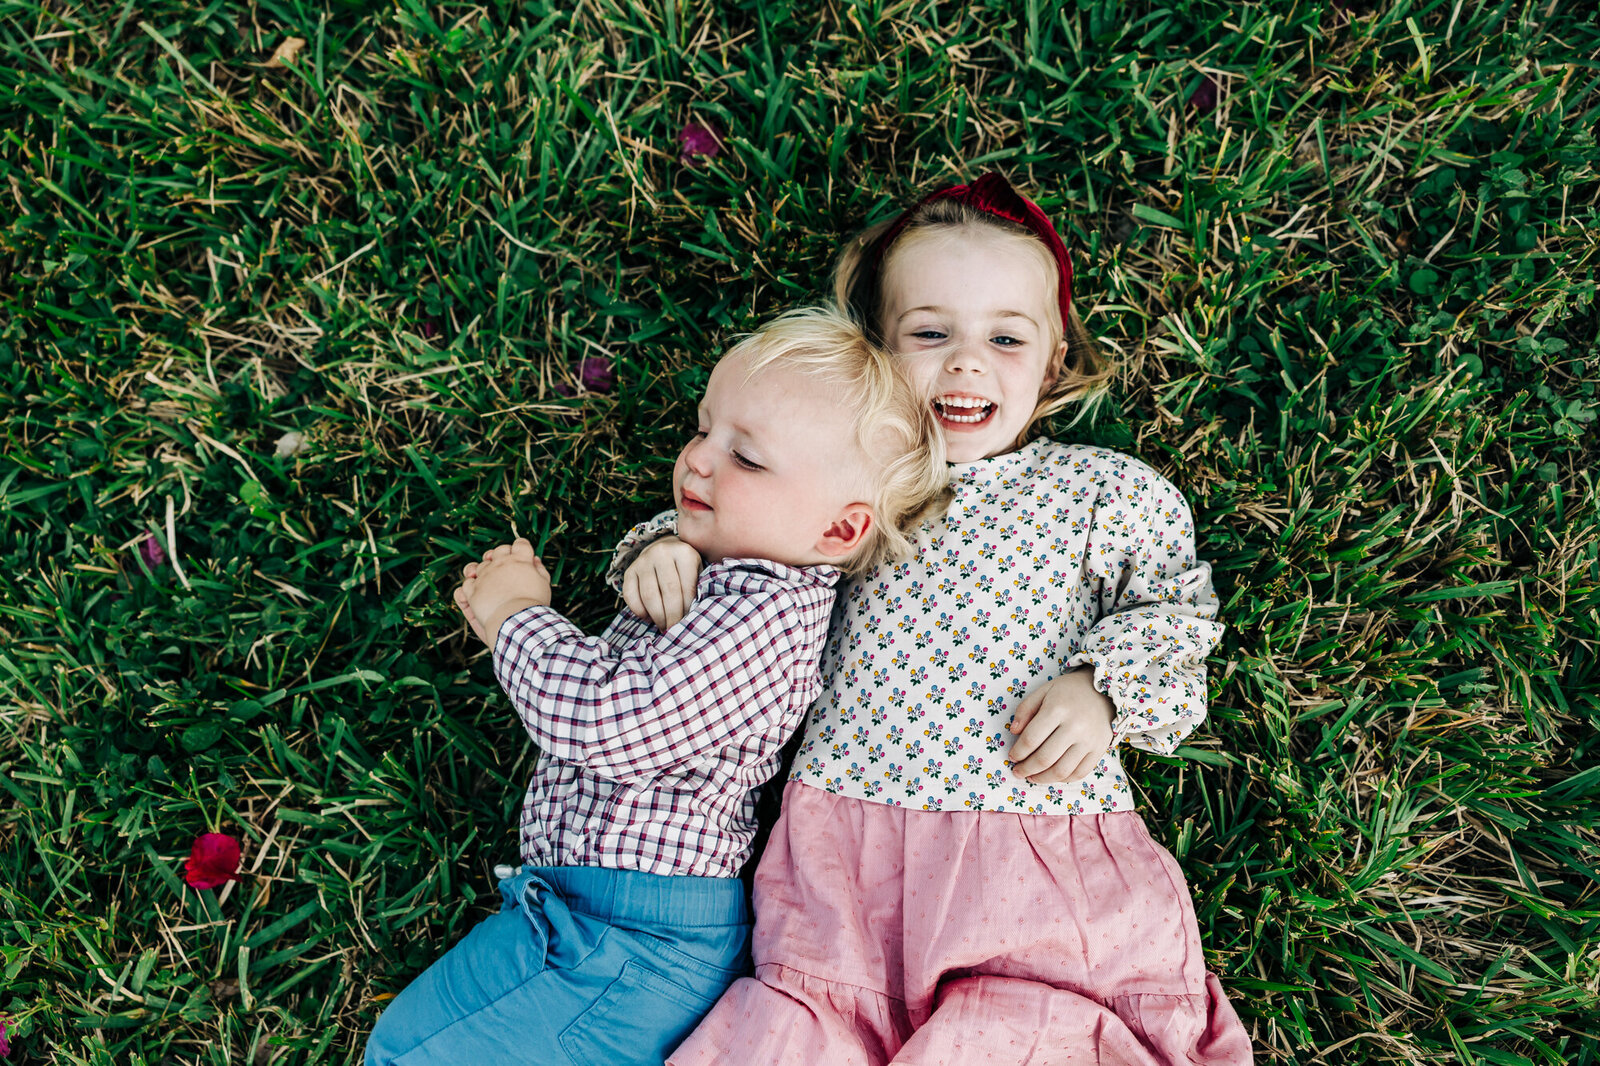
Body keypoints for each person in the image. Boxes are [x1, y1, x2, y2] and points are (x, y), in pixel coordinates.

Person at [626, 174, 1254, 1064]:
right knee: (808, 1028)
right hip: (844, 853)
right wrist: (671, 546)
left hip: (1031, 848)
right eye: (930, 333)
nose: (965, 363)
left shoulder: (1102, 491)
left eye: (1005, 338)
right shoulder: (845, 478)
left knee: (1025, 1030)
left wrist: (1103, 689)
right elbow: (732, 511)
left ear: (1055, 363)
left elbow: (1176, 610)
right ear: (877, 351)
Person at [363, 307, 949, 1066]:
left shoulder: (764, 620)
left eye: (748, 458)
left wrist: (516, 619)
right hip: (605, 922)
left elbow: (611, 725)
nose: (699, 460)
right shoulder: (740, 574)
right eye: (704, 428)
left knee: (410, 1052)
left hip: (631, 941)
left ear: (840, 531)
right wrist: (664, 544)